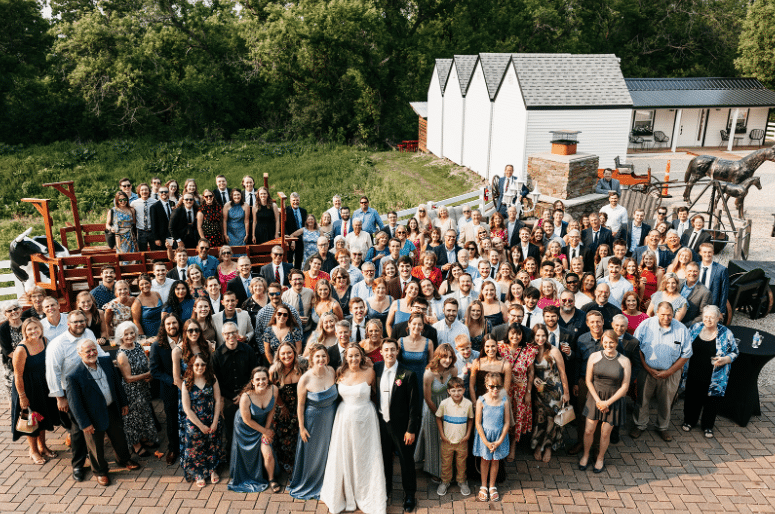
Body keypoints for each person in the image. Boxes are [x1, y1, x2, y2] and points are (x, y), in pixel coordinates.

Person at [320, 343, 386, 514]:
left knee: (364, 456)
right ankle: (346, 493)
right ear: (345, 358)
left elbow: (376, 394)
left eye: (357, 355)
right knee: (346, 455)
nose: (354, 359)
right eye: (350, 356)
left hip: (365, 419)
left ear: (362, 356)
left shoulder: (370, 372)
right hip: (344, 418)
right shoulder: (340, 373)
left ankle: (365, 492)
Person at [66, 339, 141, 486]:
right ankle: (100, 471)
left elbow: (117, 384)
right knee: (95, 446)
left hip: (112, 408)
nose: (92, 353)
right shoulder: (74, 376)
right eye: (87, 351)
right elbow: (75, 404)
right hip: (92, 416)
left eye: (94, 349)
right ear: (80, 353)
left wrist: (123, 402)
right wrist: (84, 423)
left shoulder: (106, 362)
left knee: (119, 436)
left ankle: (124, 459)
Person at [45, 309, 101, 481]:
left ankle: (97, 459)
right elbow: (52, 371)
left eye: (82, 321)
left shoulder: (89, 333)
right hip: (71, 391)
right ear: (68, 324)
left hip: (92, 385)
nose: (79, 325)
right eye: (75, 322)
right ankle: (78, 465)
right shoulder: (58, 344)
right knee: (77, 429)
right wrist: (59, 397)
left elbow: (99, 353)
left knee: (95, 422)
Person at [630, 302, 691, 441]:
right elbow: (636, 346)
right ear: (657, 312)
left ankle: (662, 427)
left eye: (669, 314)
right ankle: (640, 425)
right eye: (663, 314)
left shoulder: (681, 329)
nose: (666, 317)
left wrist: (669, 372)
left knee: (666, 402)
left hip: (671, 373)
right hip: (646, 371)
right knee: (642, 399)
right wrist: (646, 367)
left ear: (673, 313)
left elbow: (686, 354)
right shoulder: (645, 325)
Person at [288, 344, 338, 499]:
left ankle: (327, 483)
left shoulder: (332, 371)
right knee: (312, 454)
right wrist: (302, 427)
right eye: (317, 356)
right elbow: (300, 405)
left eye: (323, 356)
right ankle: (309, 483)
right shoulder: (305, 379)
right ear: (311, 358)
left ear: (327, 357)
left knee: (328, 453)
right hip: (312, 421)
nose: (321, 359)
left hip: (330, 420)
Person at [579, 329, 631, 473]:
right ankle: (585, 455)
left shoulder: (624, 361)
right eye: (606, 342)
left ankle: (600, 458)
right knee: (589, 430)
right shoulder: (594, 357)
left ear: (616, 342)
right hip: (595, 397)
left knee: (605, 433)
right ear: (602, 342)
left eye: (612, 342)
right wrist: (598, 401)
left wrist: (607, 403)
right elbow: (588, 381)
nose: (608, 345)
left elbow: (625, 386)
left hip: (613, 400)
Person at [682, 305, 738, 439]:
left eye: (711, 317)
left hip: (715, 374)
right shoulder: (695, 328)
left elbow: (735, 352)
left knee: (712, 400)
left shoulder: (726, 333)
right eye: (705, 316)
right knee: (692, 397)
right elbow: (685, 346)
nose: (708, 319)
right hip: (694, 371)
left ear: (718, 318)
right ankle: (690, 421)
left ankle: (708, 426)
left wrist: (725, 359)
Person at [10, 318, 60, 464]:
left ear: (41, 328)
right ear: (24, 331)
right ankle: (33, 450)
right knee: (31, 420)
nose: (33, 331)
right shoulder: (21, 349)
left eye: (36, 328)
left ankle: (43, 446)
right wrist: (22, 396)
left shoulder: (44, 340)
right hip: (28, 388)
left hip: (43, 385)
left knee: (42, 415)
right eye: (29, 329)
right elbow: (18, 375)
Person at [228, 367, 279, 492]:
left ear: (268, 380)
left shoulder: (274, 390)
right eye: (258, 379)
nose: (261, 382)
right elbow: (247, 420)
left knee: (268, 454)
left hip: (263, 426)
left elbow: (272, 410)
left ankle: (272, 479)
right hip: (245, 428)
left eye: (264, 379)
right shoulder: (246, 397)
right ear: (252, 381)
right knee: (247, 453)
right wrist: (264, 431)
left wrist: (266, 430)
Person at [212, 322, 258, 455]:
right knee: (230, 430)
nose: (231, 336)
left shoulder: (248, 350)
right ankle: (232, 456)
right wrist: (231, 396)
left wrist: (243, 394)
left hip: (248, 395)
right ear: (222, 335)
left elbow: (254, 374)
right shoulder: (217, 355)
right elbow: (216, 381)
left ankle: (249, 454)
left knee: (249, 426)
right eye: (227, 333)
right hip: (227, 397)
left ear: (238, 333)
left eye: (233, 332)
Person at [527, 324, 570, 463]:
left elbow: (563, 372)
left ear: (547, 336)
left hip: (555, 392)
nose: (540, 338)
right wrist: (533, 380)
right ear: (533, 337)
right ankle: (538, 444)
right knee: (540, 420)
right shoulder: (531, 351)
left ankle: (548, 447)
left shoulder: (553, 350)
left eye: (543, 335)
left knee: (553, 420)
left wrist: (566, 393)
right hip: (540, 392)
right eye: (537, 335)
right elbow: (530, 371)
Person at [180, 354, 224, 487]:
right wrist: (200, 426)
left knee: (212, 439)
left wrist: (215, 421)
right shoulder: (186, 382)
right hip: (195, 420)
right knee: (196, 439)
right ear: (192, 366)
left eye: (203, 364)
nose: (200, 367)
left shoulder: (212, 378)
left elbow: (217, 401)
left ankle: (212, 469)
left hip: (211, 416)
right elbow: (187, 409)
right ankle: (199, 471)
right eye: (197, 364)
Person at [415, 343, 457, 480]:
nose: (447, 360)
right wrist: (440, 415)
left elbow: (456, 391)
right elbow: (427, 399)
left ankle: (448, 469)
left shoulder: (453, 370)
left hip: (448, 407)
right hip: (432, 409)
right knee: (434, 441)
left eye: (450, 357)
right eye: (444, 357)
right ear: (438, 357)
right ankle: (435, 472)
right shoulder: (429, 373)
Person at [114, 321, 157, 457]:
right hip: (131, 391)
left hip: (143, 387)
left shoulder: (138, 346)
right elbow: (128, 378)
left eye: (132, 333)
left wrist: (149, 376)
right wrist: (148, 374)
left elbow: (146, 363)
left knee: (143, 414)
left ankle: (144, 438)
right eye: (126, 334)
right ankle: (136, 445)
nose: (129, 336)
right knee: (132, 418)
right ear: (121, 336)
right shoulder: (122, 354)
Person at [472, 372, 510, 503]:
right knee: (485, 460)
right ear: (486, 385)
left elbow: (507, 422)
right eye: (492, 386)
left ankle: (492, 485)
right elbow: (477, 422)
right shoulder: (481, 400)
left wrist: (499, 441)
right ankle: (483, 485)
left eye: (498, 387)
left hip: (499, 436)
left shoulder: (504, 401)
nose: (495, 389)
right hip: (485, 437)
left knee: (495, 461)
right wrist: (486, 442)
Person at [150, 315, 182, 464]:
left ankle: (187, 446)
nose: (172, 326)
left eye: (174, 322)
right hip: (170, 388)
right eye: (168, 324)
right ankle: (173, 449)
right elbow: (155, 371)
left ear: (178, 324)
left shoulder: (187, 339)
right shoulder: (157, 345)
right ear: (164, 326)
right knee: (172, 420)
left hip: (189, 387)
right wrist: (173, 381)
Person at [434, 376, 473, 497]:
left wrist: (467, 435)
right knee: (446, 462)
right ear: (448, 391)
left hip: (462, 441)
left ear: (464, 390)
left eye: (459, 390)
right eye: (453, 390)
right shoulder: (444, 404)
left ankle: (462, 481)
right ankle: (445, 481)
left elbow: (470, 419)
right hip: (447, 441)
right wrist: (442, 434)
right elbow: (438, 418)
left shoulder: (468, 404)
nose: (457, 393)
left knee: (461, 462)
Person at [398, 314, 435, 399]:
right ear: (409, 324)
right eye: (414, 324)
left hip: (421, 382)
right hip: (404, 381)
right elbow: (396, 363)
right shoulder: (400, 341)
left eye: (420, 324)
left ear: (423, 326)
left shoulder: (429, 343)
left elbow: (431, 365)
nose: (417, 327)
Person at [698, 243, 729, 318]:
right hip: (696, 304)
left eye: (709, 252)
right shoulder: (694, 266)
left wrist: (721, 311)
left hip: (712, 306)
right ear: (700, 253)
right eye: (704, 252)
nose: (707, 254)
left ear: (713, 253)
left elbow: (724, 292)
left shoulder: (721, 270)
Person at [1, 300, 24, 394]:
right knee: (14, 387)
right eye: (9, 311)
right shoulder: (3, 328)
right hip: (12, 360)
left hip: (31, 356)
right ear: (5, 314)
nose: (13, 312)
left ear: (20, 310)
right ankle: (13, 403)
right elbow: (7, 350)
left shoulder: (28, 322)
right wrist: (21, 359)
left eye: (15, 309)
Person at [131, 274, 163, 341]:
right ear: (139, 286)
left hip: (162, 331)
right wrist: (143, 339)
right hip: (149, 335)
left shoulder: (157, 294)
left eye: (146, 283)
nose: (144, 286)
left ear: (150, 283)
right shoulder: (137, 302)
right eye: (141, 284)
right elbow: (136, 322)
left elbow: (163, 311)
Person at [681, 262, 712, 326]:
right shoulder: (678, 283)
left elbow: (703, 315)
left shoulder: (705, 292)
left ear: (699, 272)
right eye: (689, 271)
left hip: (686, 326)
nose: (692, 274)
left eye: (695, 271)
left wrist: (686, 325)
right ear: (685, 271)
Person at [130, 183, 157, 251]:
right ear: (139, 192)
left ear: (149, 191)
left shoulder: (155, 202)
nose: (144, 192)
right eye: (142, 190)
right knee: (142, 252)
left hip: (152, 231)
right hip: (141, 231)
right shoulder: (134, 203)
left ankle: (155, 262)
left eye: (146, 190)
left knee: (154, 251)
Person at [285, 192, 308, 269]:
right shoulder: (286, 211)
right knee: (290, 259)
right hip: (289, 238)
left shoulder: (303, 211)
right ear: (290, 201)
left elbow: (305, 225)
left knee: (299, 259)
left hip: (301, 238)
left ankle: (298, 272)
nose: (295, 202)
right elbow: (284, 226)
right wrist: (291, 239)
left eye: (297, 200)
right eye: (294, 200)